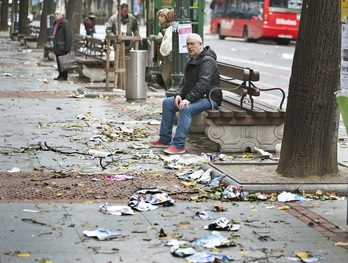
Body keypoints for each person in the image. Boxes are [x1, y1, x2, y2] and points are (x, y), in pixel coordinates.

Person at [149, 33, 223, 154]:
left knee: (186, 108)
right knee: (168, 103)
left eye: (192, 44)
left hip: (210, 97)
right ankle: (164, 139)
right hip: (197, 96)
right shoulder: (192, 59)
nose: (189, 47)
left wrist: (188, 99)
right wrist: (179, 94)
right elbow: (184, 81)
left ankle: (178, 145)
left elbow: (203, 84)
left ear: (200, 45)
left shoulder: (207, 61)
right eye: (188, 44)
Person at [150, 9, 174, 91]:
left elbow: (163, 40)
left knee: (166, 77)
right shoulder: (161, 29)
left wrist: (154, 38)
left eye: (162, 16)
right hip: (164, 55)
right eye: (159, 16)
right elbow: (159, 45)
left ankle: (169, 93)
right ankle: (167, 92)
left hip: (169, 56)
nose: (159, 18)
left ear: (167, 18)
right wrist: (155, 57)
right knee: (160, 78)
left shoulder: (170, 29)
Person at [53, 9, 72, 81]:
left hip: (62, 46)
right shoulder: (56, 23)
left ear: (61, 15)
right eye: (55, 14)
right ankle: (60, 75)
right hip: (57, 45)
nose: (56, 15)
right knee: (59, 61)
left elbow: (68, 36)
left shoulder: (64, 23)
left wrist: (67, 48)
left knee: (63, 62)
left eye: (57, 14)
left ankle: (64, 76)